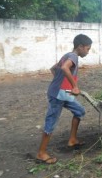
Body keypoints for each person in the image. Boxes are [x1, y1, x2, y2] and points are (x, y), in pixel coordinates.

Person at [36, 34, 92, 164]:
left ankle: (72, 140)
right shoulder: (72, 57)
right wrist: (75, 86)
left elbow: (54, 69)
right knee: (51, 122)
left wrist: (60, 81)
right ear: (80, 46)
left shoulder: (68, 55)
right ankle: (41, 153)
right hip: (57, 96)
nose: (88, 52)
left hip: (64, 94)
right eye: (88, 49)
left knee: (80, 111)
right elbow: (64, 68)